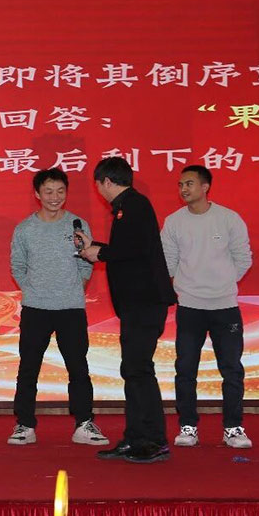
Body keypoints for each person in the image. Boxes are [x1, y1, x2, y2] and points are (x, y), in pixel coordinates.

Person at [78, 157, 176, 464]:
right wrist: (96, 247)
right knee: (132, 369)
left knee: (139, 369)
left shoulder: (134, 205)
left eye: (98, 184)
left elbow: (134, 250)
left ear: (106, 181)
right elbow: (129, 250)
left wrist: (100, 252)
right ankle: (135, 438)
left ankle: (154, 441)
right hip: (137, 304)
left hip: (144, 303)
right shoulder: (127, 207)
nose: (98, 190)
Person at [8, 168, 109, 447]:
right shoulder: (25, 229)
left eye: (60, 191)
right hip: (36, 307)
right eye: (48, 191)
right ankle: (24, 424)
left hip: (70, 307)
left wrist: (75, 287)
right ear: (37, 194)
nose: (55, 197)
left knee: (78, 368)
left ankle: (84, 423)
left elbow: (86, 262)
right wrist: (33, 290)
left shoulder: (78, 224)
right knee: (28, 368)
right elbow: (17, 265)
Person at [160, 165, 253, 449]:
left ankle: (233, 428)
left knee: (232, 369)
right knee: (186, 369)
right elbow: (168, 262)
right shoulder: (174, 222)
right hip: (190, 307)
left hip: (225, 306)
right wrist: (186, 287)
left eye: (189, 183)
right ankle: (188, 427)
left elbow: (243, 258)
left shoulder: (228, 219)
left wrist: (222, 283)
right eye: (180, 185)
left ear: (205, 187)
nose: (183, 189)